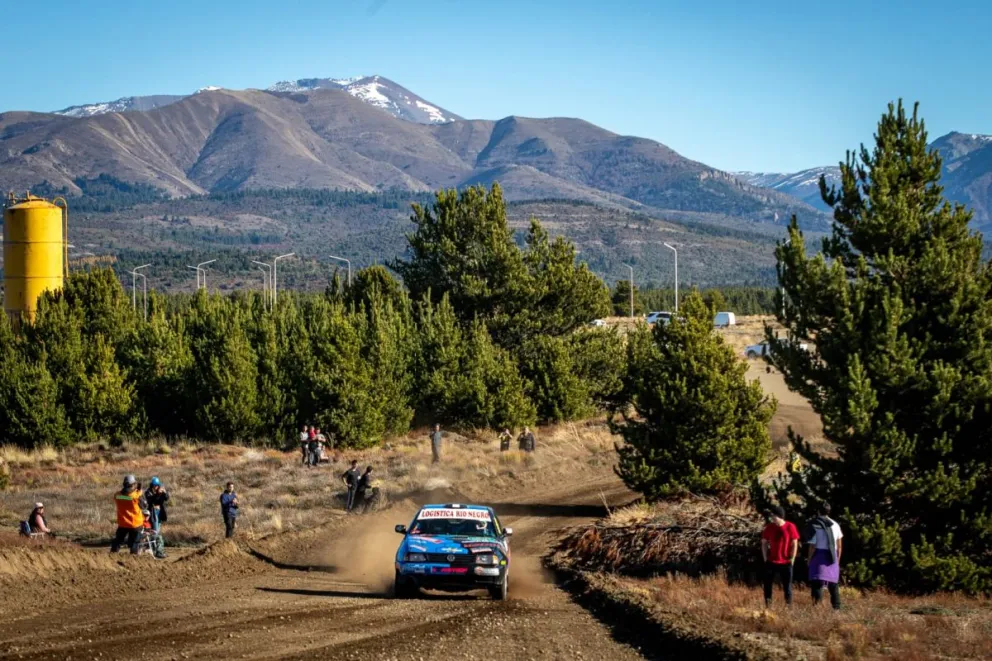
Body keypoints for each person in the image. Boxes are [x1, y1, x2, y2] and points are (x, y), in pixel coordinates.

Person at [806, 503, 843, 609]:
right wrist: (837, 560)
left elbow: (812, 546)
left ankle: (817, 607)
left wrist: (809, 559)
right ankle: (836, 608)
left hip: (819, 555)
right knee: (833, 584)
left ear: (818, 511)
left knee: (817, 582)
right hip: (832, 555)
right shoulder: (835, 525)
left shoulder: (815, 524)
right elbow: (839, 545)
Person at [760, 505, 799, 607]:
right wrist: (765, 557)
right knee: (767, 585)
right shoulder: (769, 527)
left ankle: (788, 607)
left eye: (774, 515)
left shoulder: (790, 526)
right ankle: (768, 606)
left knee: (787, 587)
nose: (772, 518)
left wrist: (793, 558)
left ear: (780, 516)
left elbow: (795, 543)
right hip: (771, 561)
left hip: (786, 561)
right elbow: (763, 542)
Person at [112, 475, 145, 554]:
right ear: (133, 485)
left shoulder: (117, 495)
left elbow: (125, 495)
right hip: (135, 524)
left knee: (118, 541)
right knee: (135, 543)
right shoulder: (136, 496)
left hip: (123, 523)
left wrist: (136, 492)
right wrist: (139, 491)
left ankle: (112, 555)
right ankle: (132, 558)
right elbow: (144, 505)